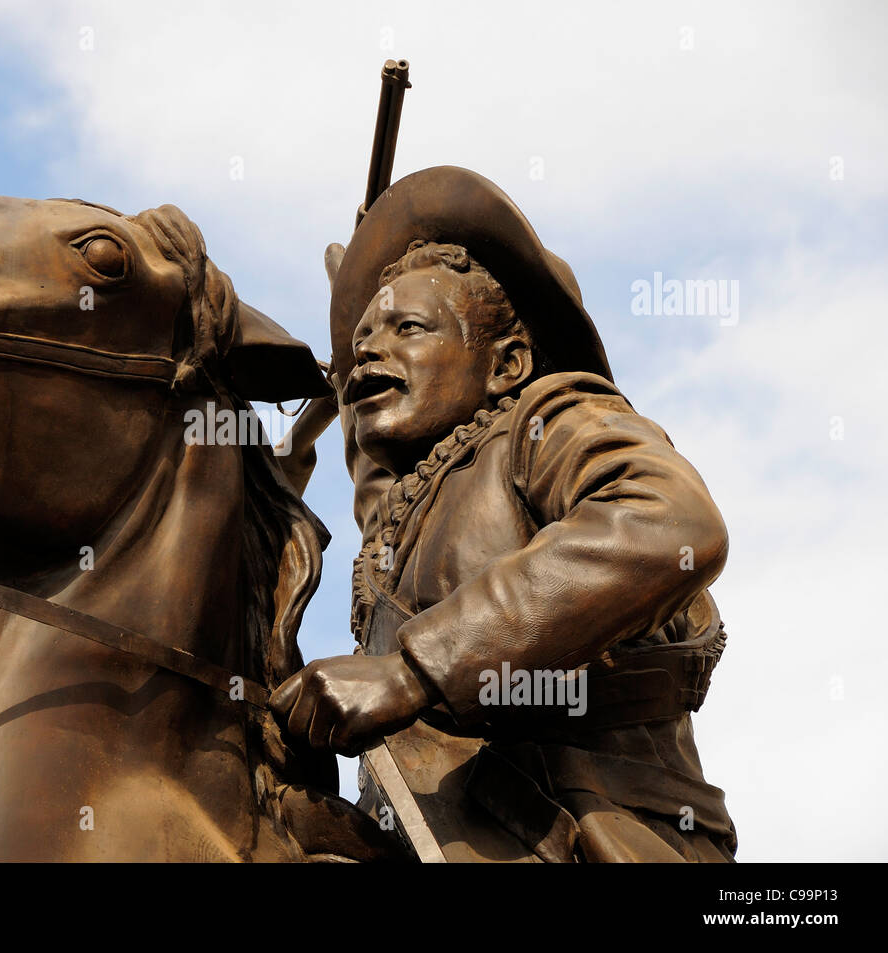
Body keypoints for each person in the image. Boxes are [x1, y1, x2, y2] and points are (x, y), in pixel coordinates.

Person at [271, 166, 737, 862]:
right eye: (362, 339)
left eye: (409, 327)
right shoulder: (405, 504)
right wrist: (354, 318)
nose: (370, 348)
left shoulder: (545, 421)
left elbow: (670, 521)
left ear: (508, 363)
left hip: (582, 830)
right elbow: (375, 476)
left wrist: (412, 672)